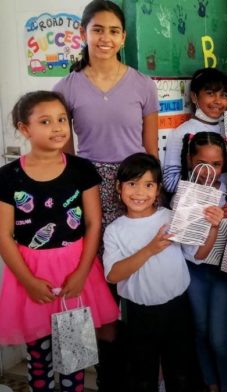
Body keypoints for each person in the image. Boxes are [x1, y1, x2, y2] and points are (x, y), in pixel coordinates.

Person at [0, 91, 119, 392]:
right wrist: (27, 281)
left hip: (75, 273)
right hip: (29, 274)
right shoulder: (8, 176)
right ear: (24, 129)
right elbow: (3, 234)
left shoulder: (81, 170)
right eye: (45, 121)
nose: (57, 127)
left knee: (74, 358)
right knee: (38, 359)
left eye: (62, 119)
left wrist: (80, 274)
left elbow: (93, 224)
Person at [102, 153, 223, 391]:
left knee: (179, 373)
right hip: (138, 314)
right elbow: (113, 275)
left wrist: (213, 228)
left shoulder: (171, 218)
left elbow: (197, 255)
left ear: (158, 190)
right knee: (142, 375)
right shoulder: (115, 230)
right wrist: (150, 249)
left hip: (177, 309)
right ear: (119, 187)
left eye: (148, 185)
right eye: (132, 184)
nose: (139, 193)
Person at [53, 0, 159, 227]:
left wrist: (152, 187)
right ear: (83, 33)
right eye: (97, 30)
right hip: (90, 182)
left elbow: (151, 149)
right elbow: (66, 153)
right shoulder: (65, 88)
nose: (106, 38)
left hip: (135, 180)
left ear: (123, 37)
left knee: (136, 249)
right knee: (97, 249)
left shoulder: (144, 85)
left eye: (114, 31)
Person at [177, 132, 227, 392]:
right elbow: (196, 255)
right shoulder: (183, 198)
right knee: (201, 330)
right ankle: (211, 385)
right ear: (191, 161)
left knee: (219, 338)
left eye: (216, 164)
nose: (209, 171)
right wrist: (214, 226)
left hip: (224, 271)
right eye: (203, 163)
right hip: (197, 271)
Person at [162, 68, 227, 193]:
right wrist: (207, 183)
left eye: (223, 95)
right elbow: (170, 182)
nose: (217, 101)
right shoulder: (181, 133)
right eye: (210, 93)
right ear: (194, 97)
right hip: (195, 208)